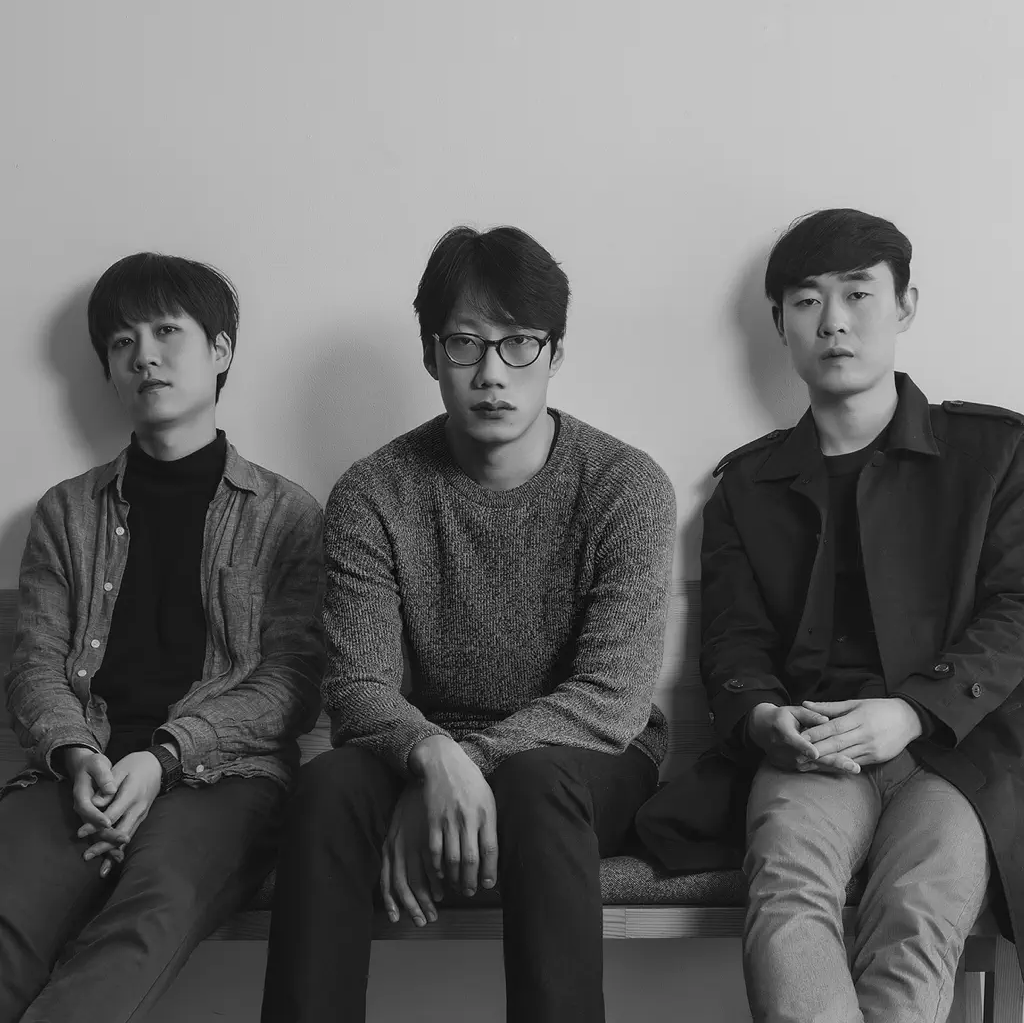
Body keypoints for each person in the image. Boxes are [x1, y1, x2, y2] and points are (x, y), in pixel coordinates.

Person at [261, 225, 677, 1023]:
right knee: (329, 786)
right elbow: (358, 687)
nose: (492, 373)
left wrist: (461, 766)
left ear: (555, 354)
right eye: (465, 344)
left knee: (535, 783)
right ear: (431, 355)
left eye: (519, 343)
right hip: (425, 744)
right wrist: (429, 756)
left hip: (586, 760)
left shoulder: (626, 486)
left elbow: (611, 698)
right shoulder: (374, 492)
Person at [643, 207, 1024, 1023]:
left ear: (905, 306)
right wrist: (763, 719)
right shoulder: (747, 488)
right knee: (786, 891)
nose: (835, 321)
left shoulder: (994, 455)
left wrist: (913, 712)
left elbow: (1017, 609)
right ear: (781, 321)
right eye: (809, 300)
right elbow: (734, 643)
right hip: (810, 747)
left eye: (858, 294)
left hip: (956, 754)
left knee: (918, 911)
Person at [0, 253, 325, 1023]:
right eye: (122, 342)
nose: (143, 355)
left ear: (220, 351)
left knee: (146, 916)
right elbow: (35, 666)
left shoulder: (287, 515)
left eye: (166, 331)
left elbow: (292, 683)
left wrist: (164, 757)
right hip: (75, 773)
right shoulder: (65, 513)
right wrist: (78, 755)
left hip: (224, 778)